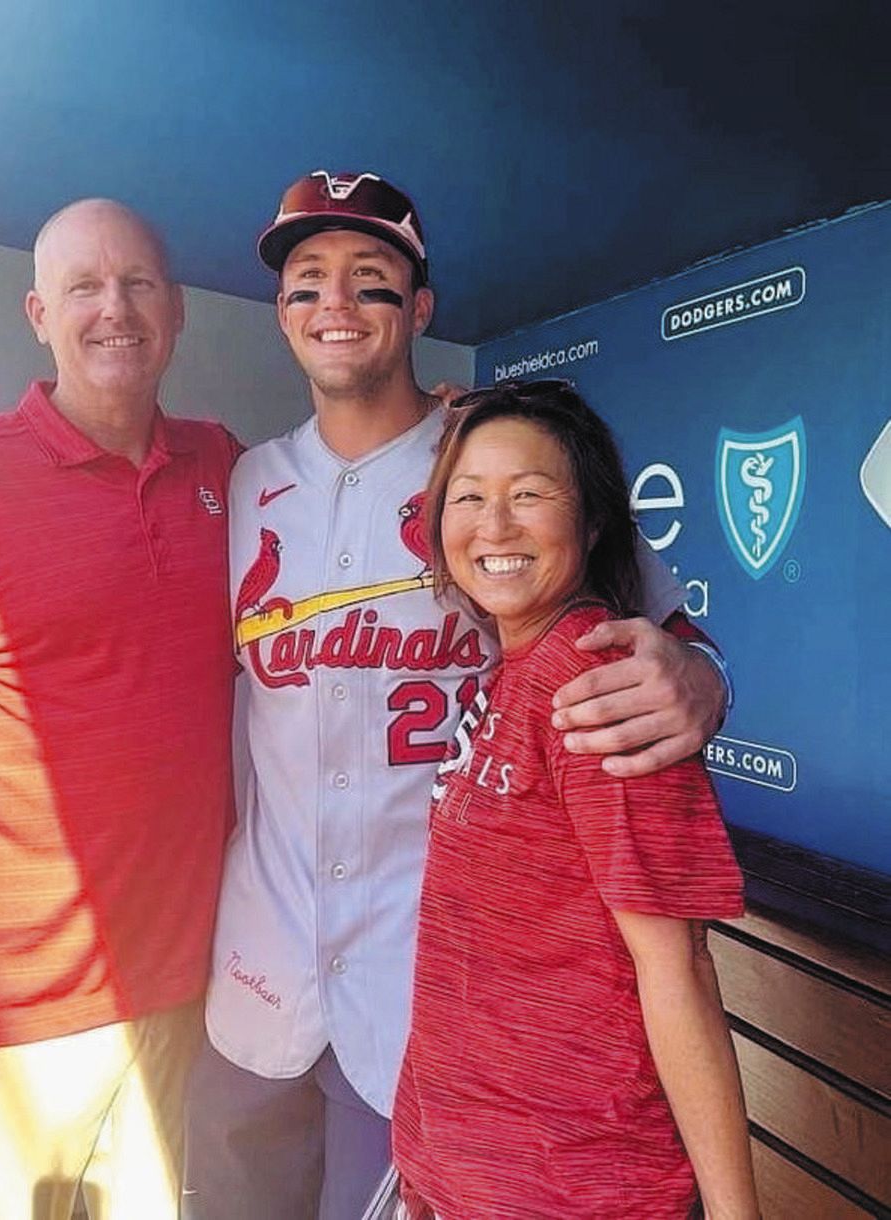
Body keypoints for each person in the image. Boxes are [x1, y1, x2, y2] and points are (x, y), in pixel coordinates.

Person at [185, 170, 733, 1219]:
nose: (335, 305)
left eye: (372, 280)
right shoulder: (246, 479)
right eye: (308, 282)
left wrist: (708, 678)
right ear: (282, 312)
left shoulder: (491, 459)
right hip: (256, 966)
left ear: (422, 309)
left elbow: (672, 633)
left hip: (425, 994)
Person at [0, 198, 241, 1220]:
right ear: (39, 312)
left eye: (137, 284)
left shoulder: (226, 469)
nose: (112, 309)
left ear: (176, 310)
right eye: (83, 286)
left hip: (180, 998)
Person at [392, 381, 758, 1219]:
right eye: (469, 497)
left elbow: (679, 971)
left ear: (594, 526)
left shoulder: (599, 686)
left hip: (574, 1187)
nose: (494, 526)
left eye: (530, 496)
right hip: (466, 1170)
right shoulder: (518, 664)